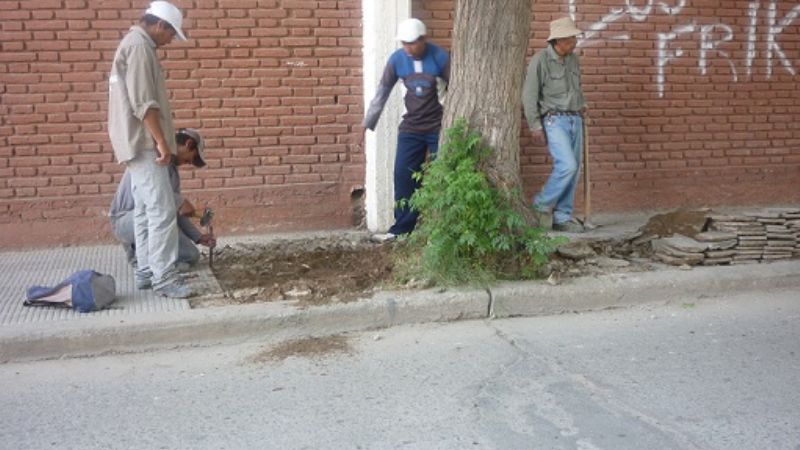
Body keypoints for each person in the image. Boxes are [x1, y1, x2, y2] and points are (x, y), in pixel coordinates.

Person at [107, 1, 192, 298]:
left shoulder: (133, 44)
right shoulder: (140, 47)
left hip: (134, 142)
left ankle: (146, 271)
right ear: (159, 25)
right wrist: (161, 143)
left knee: (144, 209)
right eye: (170, 34)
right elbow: (144, 104)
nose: (170, 40)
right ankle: (165, 279)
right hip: (144, 143)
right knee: (162, 210)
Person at [363, 18, 450, 242]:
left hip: (438, 127)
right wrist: (367, 124)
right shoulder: (397, 60)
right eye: (404, 43)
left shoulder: (440, 57)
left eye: (412, 43)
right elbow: (382, 92)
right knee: (403, 176)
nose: (408, 48)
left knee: (445, 175)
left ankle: (443, 231)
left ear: (423, 39)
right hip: (411, 127)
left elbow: (458, 89)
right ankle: (402, 230)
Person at [110, 129, 216, 271]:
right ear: (188, 144)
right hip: (126, 220)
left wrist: (198, 237)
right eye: (194, 157)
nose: (191, 162)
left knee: (190, 255)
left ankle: (148, 256)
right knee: (161, 214)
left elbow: (176, 211)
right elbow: (153, 193)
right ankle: (146, 262)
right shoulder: (154, 157)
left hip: (150, 217)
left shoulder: (172, 170)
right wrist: (180, 202)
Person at [522, 17, 587, 233]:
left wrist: (582, 105)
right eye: (570, 39)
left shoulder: (573, 60)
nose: (574, 42)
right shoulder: (540, 60)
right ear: (558, 40)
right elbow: (529, 95)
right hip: (554, 120)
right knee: (567, 165)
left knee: (574, 171)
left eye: (574, 38)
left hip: (576, 119)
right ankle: (540, 206)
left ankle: (562, 217)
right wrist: (534, 125)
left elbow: (576, 88)